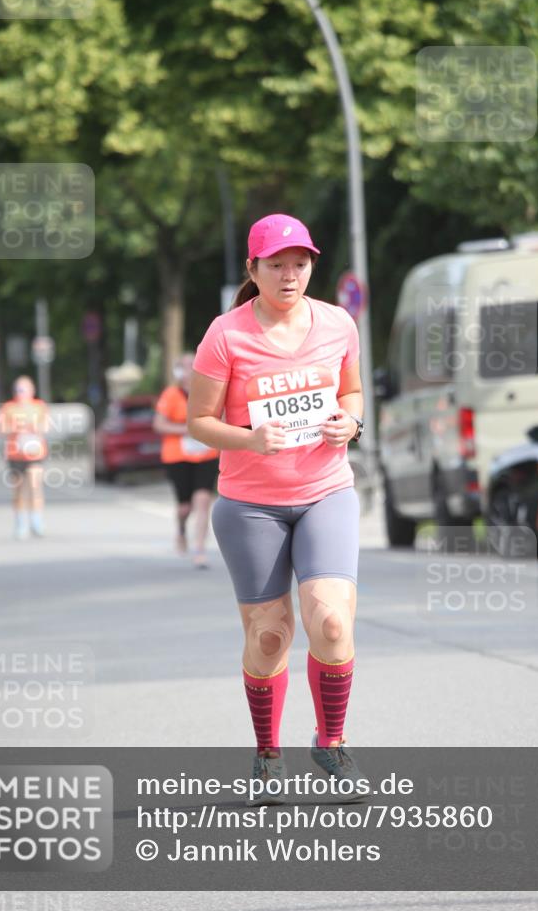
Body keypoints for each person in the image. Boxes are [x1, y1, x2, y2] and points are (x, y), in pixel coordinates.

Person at [187, 213, 365, 798]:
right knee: (269, 637)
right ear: (254, 269)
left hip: (325, 492)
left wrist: (352, 421)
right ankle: (267, 753)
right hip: (250, 505)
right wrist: (249, 438)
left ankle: (332, 744)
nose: (291, 275)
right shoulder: (226, 334)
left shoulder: (338, 323)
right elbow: (199, 424)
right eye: (277, 265)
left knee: (332, 623)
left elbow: (352, 391)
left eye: (301, 263)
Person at [154, 354, 219, 568]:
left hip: (207, 454)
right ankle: (181, 529)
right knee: (184, 507)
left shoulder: (209, 390)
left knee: (203, 501)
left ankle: (199, 550)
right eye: (186, 366)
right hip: (178, 456)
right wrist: (187, 429)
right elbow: (159, 425)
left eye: (194, 365)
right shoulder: (171, 395)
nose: (191, 370)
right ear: (178, 371)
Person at [0, 376, 48, 539]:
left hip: (35, 453)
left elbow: (46, 426)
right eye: (19, 389)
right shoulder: (9, 407)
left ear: (32, 390)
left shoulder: (39, 406)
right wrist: (15, 427)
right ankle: (20, 522)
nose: (21, 393)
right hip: (16, 454)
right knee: (19, 490)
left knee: (35, 486)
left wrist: (34, 427)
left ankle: (36, 521)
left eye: (24, 389)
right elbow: (0, 429)